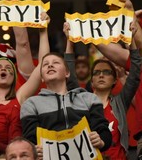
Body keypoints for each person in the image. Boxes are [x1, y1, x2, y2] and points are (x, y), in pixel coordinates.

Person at [64, 10, 141, 159]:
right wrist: (69, 41)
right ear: (91, 80)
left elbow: (136, 71)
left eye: (107, 72)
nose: (101, 75)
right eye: (97, 73)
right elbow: (70, 76)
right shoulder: (81, 100)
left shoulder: (120, 101)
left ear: (114, 80)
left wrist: (131, 40)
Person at [20, 50, 112, 154]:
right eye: (45, 64)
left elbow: (103, 131)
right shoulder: (31, 104)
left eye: (56, 62)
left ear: (67, 73)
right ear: (41, 77)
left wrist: (101, 141)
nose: (50, 65)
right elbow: (30, 140)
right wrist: (35, 151)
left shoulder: (89, 98)